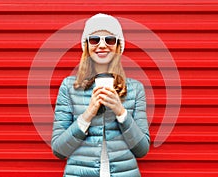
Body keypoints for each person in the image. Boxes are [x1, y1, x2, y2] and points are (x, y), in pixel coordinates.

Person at [51, 13, 150, 177]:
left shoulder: (135, 89)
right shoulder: (69, 87)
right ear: (87, 46)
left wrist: (121, 112)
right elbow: (59, 150)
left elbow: (142, 150)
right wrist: (88, 114)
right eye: (94, 39)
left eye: (110, 40)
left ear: (118, 45)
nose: (102, 45)